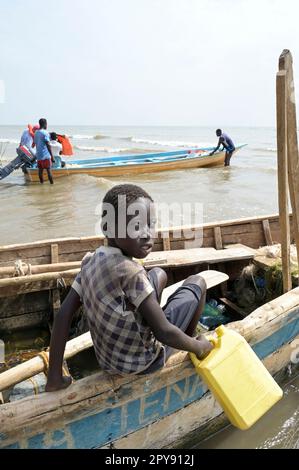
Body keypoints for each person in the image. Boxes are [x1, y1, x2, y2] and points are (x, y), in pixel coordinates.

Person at [45, 184, 213, 391]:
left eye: (150, 224)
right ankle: (183, 346)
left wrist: (54, 377)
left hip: (108, 361)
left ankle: (160, 327)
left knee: (158, 274)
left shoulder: (89, 262)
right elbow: (163, 333)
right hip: (143, 363)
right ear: (108, 228)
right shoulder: (130, 271)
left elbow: (63, 315)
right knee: (197, 284)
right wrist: (200, 347)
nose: (146, 233)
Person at [34, 118, 55, 184]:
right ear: (45, 124)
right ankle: (52, 185)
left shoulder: (36, 132)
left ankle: (41, 184)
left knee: (40, 171)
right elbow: (48, 145)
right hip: (46, 156)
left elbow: (36, 143)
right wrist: (52, 157)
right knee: (49, 171)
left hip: (39, 156)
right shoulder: (45, 133)